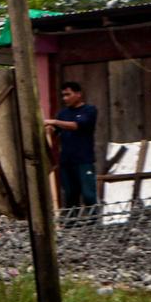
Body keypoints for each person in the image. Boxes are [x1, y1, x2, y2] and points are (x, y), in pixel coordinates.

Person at [43, 81, 98, 210]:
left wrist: (54, 121)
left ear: (78, 94)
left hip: (84, 159)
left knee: (88, 194)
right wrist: (50, 129)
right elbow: (56, 132)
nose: (65, 98)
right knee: (70, 194)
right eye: (63, 95)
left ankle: (93, 222)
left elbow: (76, 125)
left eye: (68, 95)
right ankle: (72, 224)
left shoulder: (89, 110)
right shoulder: (63, 113)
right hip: (66, 160)